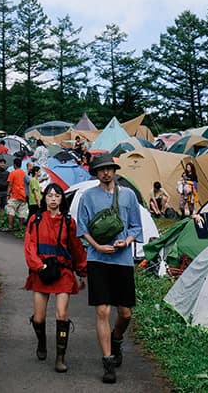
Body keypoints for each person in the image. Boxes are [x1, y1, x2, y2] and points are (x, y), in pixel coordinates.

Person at [76, 153, 144, 384]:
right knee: (103, 310)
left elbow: (135, 226)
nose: (106, 172)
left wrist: (126, 241)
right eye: (101, 169)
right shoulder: (88, 196)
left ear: (115, 171)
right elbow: (82, 227)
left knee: (125, 313)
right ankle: (108, 362)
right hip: (98, 260)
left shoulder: (128, 195)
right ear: (96, 172)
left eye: (109, 169)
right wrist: (97, 246)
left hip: (122, 260)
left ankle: (117, 339)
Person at [25, 183, 88, 373]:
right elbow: (30, 246)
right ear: (44, 198)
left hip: (63, 272)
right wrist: (39, 266)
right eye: (50, 195)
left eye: (57, 195)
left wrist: (82, 271)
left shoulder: (69, 222)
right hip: (42, 272)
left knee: (62, 315)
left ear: (62, 199)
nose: (53, 199)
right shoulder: (35, 220)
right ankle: (42, 343)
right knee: (39, 318)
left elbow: (76, 248)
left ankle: (60, 356)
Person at [6, 157, 28, 230]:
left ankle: (10, 226)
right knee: (22, 211)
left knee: (11, 209)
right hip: (23, 195)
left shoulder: (13, 173)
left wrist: (8, 194)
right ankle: (20, 227)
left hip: (15, 194)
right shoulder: (24, 173)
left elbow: (10, 185)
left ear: (14, 165)